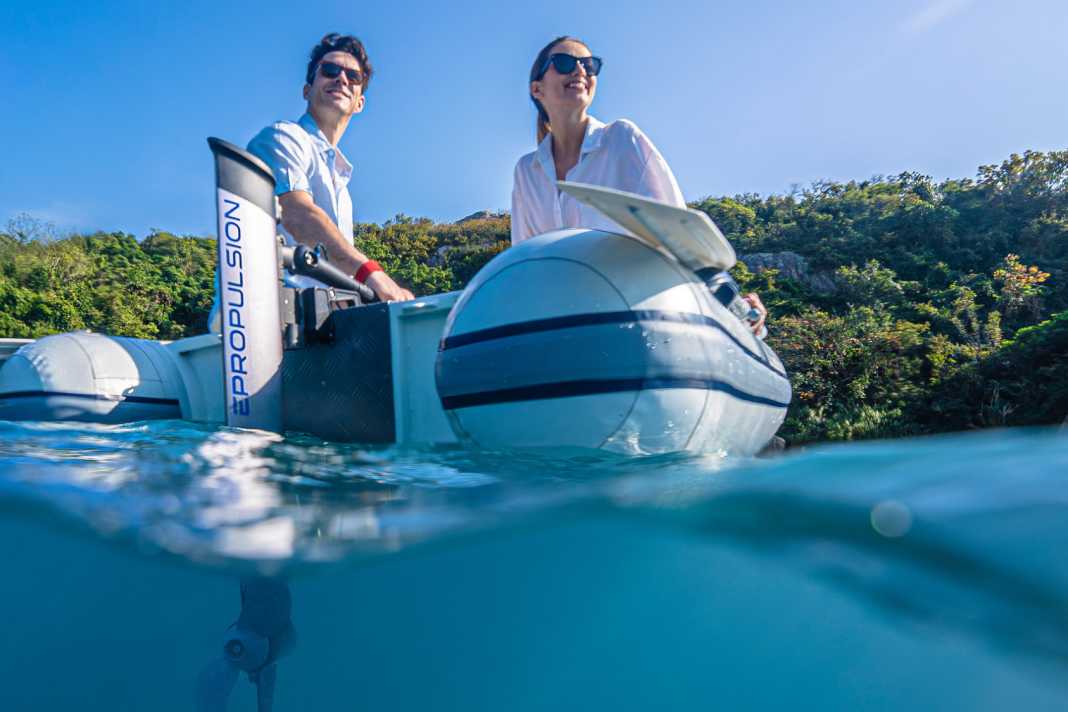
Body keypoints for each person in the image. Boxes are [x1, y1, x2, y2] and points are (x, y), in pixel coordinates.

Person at [510, 36, 766, 334]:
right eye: (565, 62)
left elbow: (677, 235)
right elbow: (524, 263)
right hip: (567, 324)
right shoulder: (527, 171)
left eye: (589, 65)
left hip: (636, 319)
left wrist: (735, 309)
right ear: (536, 89)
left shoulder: (621, 139)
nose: (580, 70)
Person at [245, 33, 413, 305]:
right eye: (330, 70)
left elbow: (336, 261)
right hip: (265, 319)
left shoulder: (341, 183)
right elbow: (298, 214)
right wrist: (371, 273)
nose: (342, 79)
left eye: (353, 77)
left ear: (359, 103)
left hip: (321, 323)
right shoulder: (283, 137)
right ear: (306, 90)